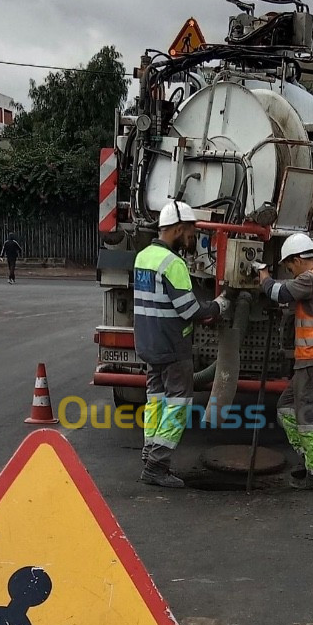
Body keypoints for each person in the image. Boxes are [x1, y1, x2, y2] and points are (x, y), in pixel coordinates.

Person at [133, 201, 229, 488]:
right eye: (190, 231)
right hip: (173, 346)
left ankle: (149, 454)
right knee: (178, 404)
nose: (193, 238)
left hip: (149, 344)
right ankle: (157, 465)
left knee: (156, 401)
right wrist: (219, 306)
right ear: (177, 229)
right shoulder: (173, 264)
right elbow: (189, 310)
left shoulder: (143, 256)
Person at [259, 232, 313, 491]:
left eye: (289, 266)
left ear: (297, 259)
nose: (290, 271)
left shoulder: (311, 278)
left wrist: (264, 277)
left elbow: (280, 292)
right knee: (286, 406)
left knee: (311, 416)